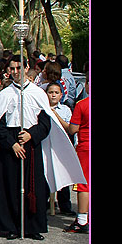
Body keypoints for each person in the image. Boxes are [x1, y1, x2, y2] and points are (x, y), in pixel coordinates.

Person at [0, 56, 85, 240]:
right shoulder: (5, 94)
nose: (16, 72)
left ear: (26, 67)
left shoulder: (37, 93)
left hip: (32, 147)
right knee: (9, 186)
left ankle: (33, 226)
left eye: (19, 67)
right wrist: (13, 144)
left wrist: (31, 135)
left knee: (34, 188)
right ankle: (10, 226)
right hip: (10, 147)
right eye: (12, 68)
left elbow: (45, 123)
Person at [64, 77, 89, 233]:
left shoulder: (82, 105)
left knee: (83, 184)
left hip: (86, 146)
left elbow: (73, 129)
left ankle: (82, 219)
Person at [45, 81, 74, 214]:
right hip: (46, 145)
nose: (53, 95)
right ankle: (45, 203)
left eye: (56, 93)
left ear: (61, 95)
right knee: (45, 173)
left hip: (61, 146)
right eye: (50, 92)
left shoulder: (65, 110)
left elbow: (68, 127)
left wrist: (55, 114)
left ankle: (65, 205)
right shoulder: (42, 108)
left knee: (63, 174)